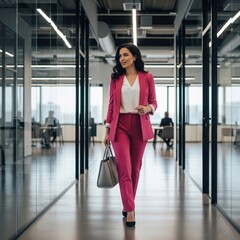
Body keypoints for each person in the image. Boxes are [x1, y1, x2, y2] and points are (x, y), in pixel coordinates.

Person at [103, 43, 157, 227]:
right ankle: (131, 210)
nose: (122, 59)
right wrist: (107, 129)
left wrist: (148, 108)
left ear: (134, 57)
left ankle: (128, 204)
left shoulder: (147, 77)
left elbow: (154, 102)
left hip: (140, 125)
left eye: (125, 55)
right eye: (120, 56)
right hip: (120, 127)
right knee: (125, 169)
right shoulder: (116, 79)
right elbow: (111, 105)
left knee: (135, 170)